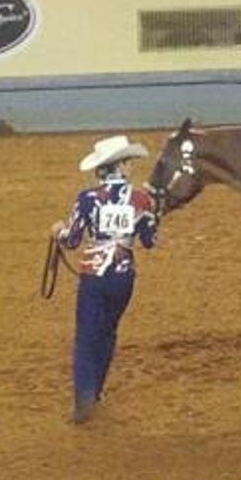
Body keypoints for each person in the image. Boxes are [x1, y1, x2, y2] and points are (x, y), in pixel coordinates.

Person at [50, 135, 158, 424]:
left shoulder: (87, 199)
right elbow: (149, 240)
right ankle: (95, 392)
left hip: (94, 275)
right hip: (123, 277)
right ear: (119, 166)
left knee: (86, 337)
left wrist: (58, 231)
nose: (132, 166)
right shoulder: (142, 199)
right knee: (108, 331)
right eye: (128, 162)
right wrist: (150, 215)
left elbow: (71, 240)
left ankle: (84, 397)